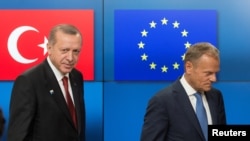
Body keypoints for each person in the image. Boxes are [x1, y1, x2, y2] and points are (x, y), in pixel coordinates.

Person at [7, 24, 85, 141]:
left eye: (76, 51)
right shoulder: (29, 81)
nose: (70, 58)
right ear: (49, 48)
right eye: (64, 50)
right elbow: (18, 136)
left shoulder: (76, 77)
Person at [140, 42, 226, 141]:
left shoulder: (216, 96)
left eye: (215, 73)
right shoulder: (162, 101)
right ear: (189, 67)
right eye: (208, 73)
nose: (214, 79)